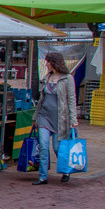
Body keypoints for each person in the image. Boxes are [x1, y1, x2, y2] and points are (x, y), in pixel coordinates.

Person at [33, 51, 78, 186]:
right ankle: (42, 176)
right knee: (44, 146)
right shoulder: (46, 77)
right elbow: (42, 99)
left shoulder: (67, 78)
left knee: (58, 148)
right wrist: (35, 117)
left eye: (47, 62)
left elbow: (71, 99)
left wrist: (73, 119)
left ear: (53, 63)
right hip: (44, 116)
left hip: (60, 119)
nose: (46, 64)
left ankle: (66, 171)